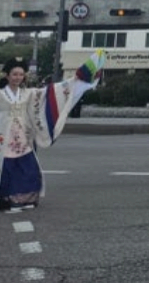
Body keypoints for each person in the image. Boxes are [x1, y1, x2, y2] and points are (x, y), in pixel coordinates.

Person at [1, 55, 101, 211]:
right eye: (14, 74)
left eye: (20, 74)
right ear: (7, 75)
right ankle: (6, 198)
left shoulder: (28, 94)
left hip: (24, 137)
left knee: (27, 168)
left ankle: (22, 199)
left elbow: (51, 93)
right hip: (4, 136)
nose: (17, 77)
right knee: (6, 167)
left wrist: (74, 81)